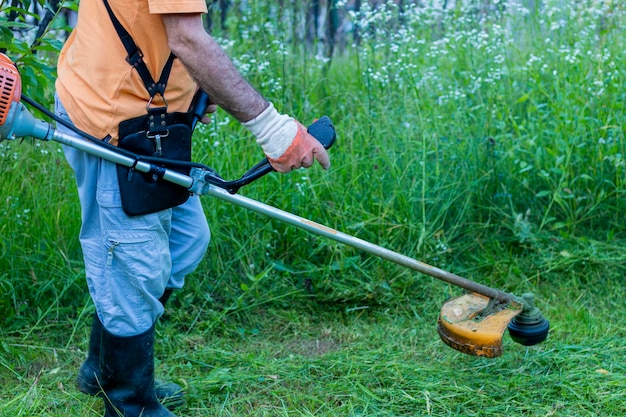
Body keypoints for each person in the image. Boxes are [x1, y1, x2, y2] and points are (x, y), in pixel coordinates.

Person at [54, 1, 330, 416]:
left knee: (186, 238)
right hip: (110, 124)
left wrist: (194, 85)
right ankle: (130, 403)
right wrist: (272, 129)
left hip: (149, 123)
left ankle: (104, 368)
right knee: (134, 262)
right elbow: (186, 35)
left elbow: (157, 24)